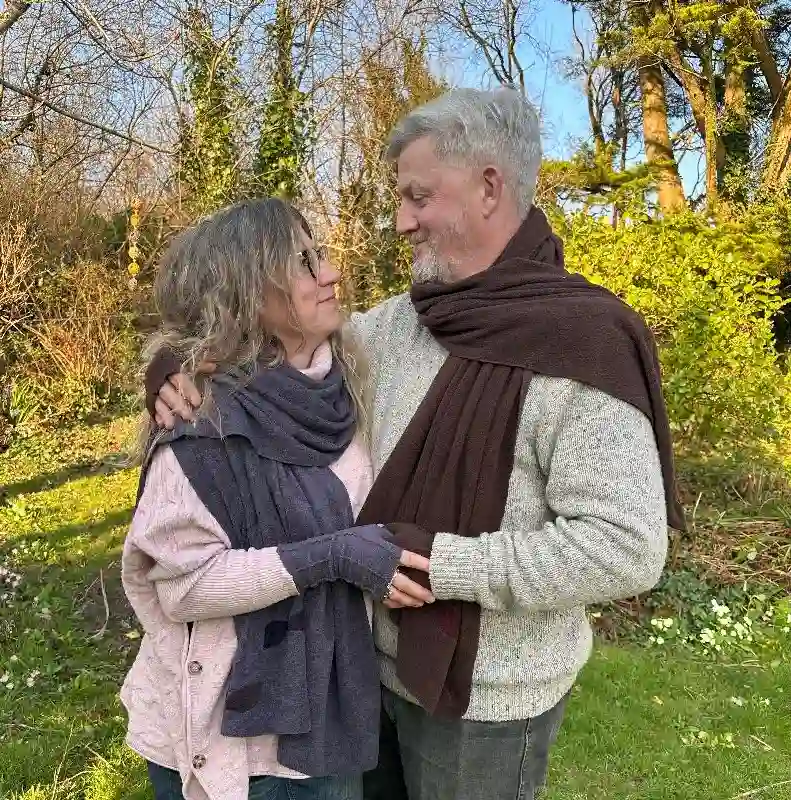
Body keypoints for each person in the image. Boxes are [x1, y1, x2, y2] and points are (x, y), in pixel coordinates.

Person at [146, 87, 685, 800]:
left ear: (488, 187)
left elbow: (625, 547)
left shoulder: (584, 341)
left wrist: (438, 563)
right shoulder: (399, 325)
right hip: (364, 671)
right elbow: (267, 345)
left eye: (417, 197)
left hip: (488, 701)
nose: (400, 222)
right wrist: (175, 366)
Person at [121, 197, 434, 800]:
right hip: (232, 739)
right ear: (244, 295)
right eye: (304, 262)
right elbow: (184, 587)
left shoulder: (347, 392)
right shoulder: (203, 423)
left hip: (328, 721)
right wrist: (334, 556)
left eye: (320, 255)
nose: (332, 273)